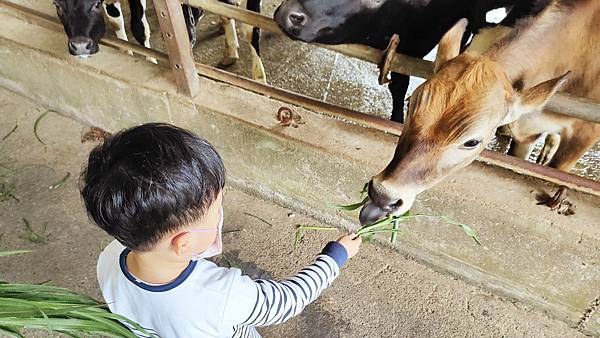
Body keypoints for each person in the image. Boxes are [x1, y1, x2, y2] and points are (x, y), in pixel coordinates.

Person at [80, 123, 362, 337]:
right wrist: (335, 256)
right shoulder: (221, 295)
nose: (219, 216)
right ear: (184, 244)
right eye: (216, 210)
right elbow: (287, 301)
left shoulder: (110, 257)